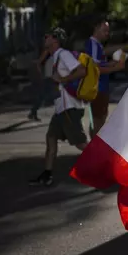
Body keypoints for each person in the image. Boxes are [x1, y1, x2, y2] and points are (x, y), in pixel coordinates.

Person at [29, 28, 89, 187]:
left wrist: (63, 79)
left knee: (81, 143)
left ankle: (112, 166)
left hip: (70, 108)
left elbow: (81, 71)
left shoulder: (64, 55)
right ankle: (47, 175)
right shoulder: (54, 57)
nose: (44, 38)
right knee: (51, 138)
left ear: (55, 40)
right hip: (61, 108)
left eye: (47, 36)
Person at [85, 18, 125, 137]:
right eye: (105, 30)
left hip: (101, 87)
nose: (107, 34)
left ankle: (94, 148)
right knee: (98, 121)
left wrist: (113, 63)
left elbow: (99, 64)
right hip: (97, 88)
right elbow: (94, 67)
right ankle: (94, 150)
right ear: (96, 28)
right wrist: (115, 68)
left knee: (100, 119)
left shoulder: (97, 45)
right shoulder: (92, 44)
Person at [28, 47, 55, 122]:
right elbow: (39, 63)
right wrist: (41, 74)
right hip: (48, 78)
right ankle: (33, 112)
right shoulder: (47, 52)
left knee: (44, 96)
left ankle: (33, 112)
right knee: (42, 96)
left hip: (53, 78)